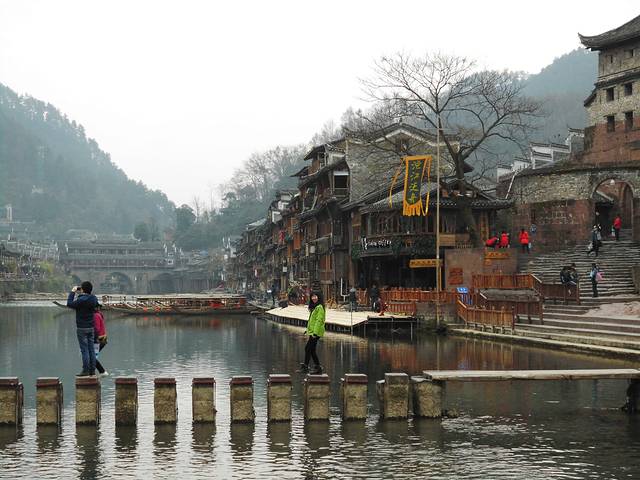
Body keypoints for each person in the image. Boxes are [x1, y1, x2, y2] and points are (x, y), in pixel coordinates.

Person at [66, 281, 99, 376]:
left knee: (84, 350)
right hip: (91, 327)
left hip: (82, 328)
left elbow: (69, 303)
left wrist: (73, 292)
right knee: (91, 349)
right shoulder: (93, 298)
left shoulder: (81, 300)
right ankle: (92, 370)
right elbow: (96, 305)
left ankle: (85, 370)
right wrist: (83, 293)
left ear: (83, 289)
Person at [299, 292, 325, 374]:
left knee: (308, 348)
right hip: (313, 331)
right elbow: (312, 321)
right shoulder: (315, 307)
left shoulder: (320, 307)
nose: (314, 298)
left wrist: (315, 333)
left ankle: (306, 366)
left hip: (316, 332)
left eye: (315, 296)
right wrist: (308, 330)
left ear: (318, 297)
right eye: (312, 296)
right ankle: (318, 367)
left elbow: (319, 320)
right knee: (312, 350)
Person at [93, 304, 108, 376]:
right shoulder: (98, 314)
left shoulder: (96, 315)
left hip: (100, 340)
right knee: (92, 356)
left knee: (91, 356)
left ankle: (102, 371)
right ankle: (93, 372)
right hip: (101, 339)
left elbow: (97, 329)